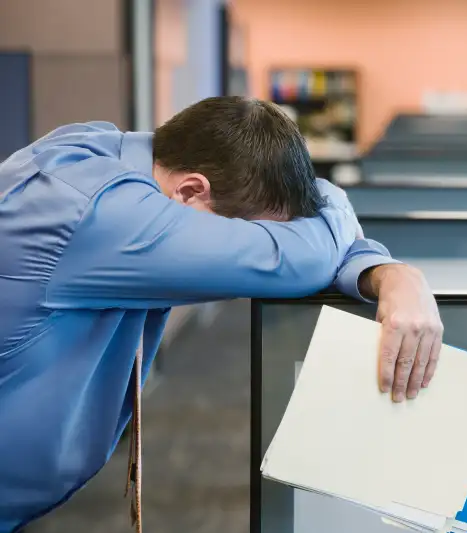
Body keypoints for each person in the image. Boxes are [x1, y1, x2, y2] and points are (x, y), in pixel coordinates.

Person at [0, 97, 443, 532]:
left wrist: (385, 273)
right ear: (192, 191)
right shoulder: (100, 214)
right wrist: (352, 233)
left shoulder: (98, 151)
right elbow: (302, 259)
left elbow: (318, 231)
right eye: (252, 236)